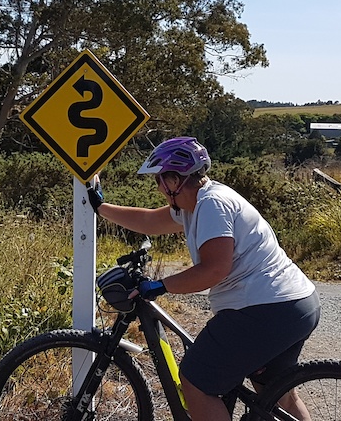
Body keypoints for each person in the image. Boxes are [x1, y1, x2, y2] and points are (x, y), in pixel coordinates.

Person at [87, 137, 320, 421]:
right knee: (277, 393)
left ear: (174, 180)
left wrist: (160, 286)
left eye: (160, 179)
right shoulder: (196, 205)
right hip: (296, 304)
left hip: (264, 308)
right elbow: (148, 222)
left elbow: (213, 270)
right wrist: (101, 207)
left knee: (195, 381)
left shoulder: (212, 205)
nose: (158, 187)